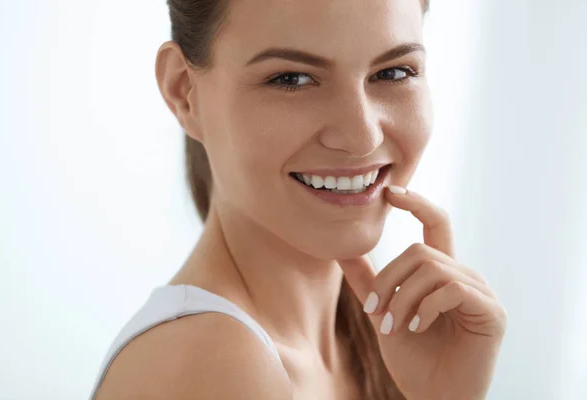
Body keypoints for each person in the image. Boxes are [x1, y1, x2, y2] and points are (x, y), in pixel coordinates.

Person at [90, 0, 507, 398]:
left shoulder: (370, 341)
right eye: (292, 78)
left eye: (394, 72)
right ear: (184, 91)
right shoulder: (212, 365)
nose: (363, 137)